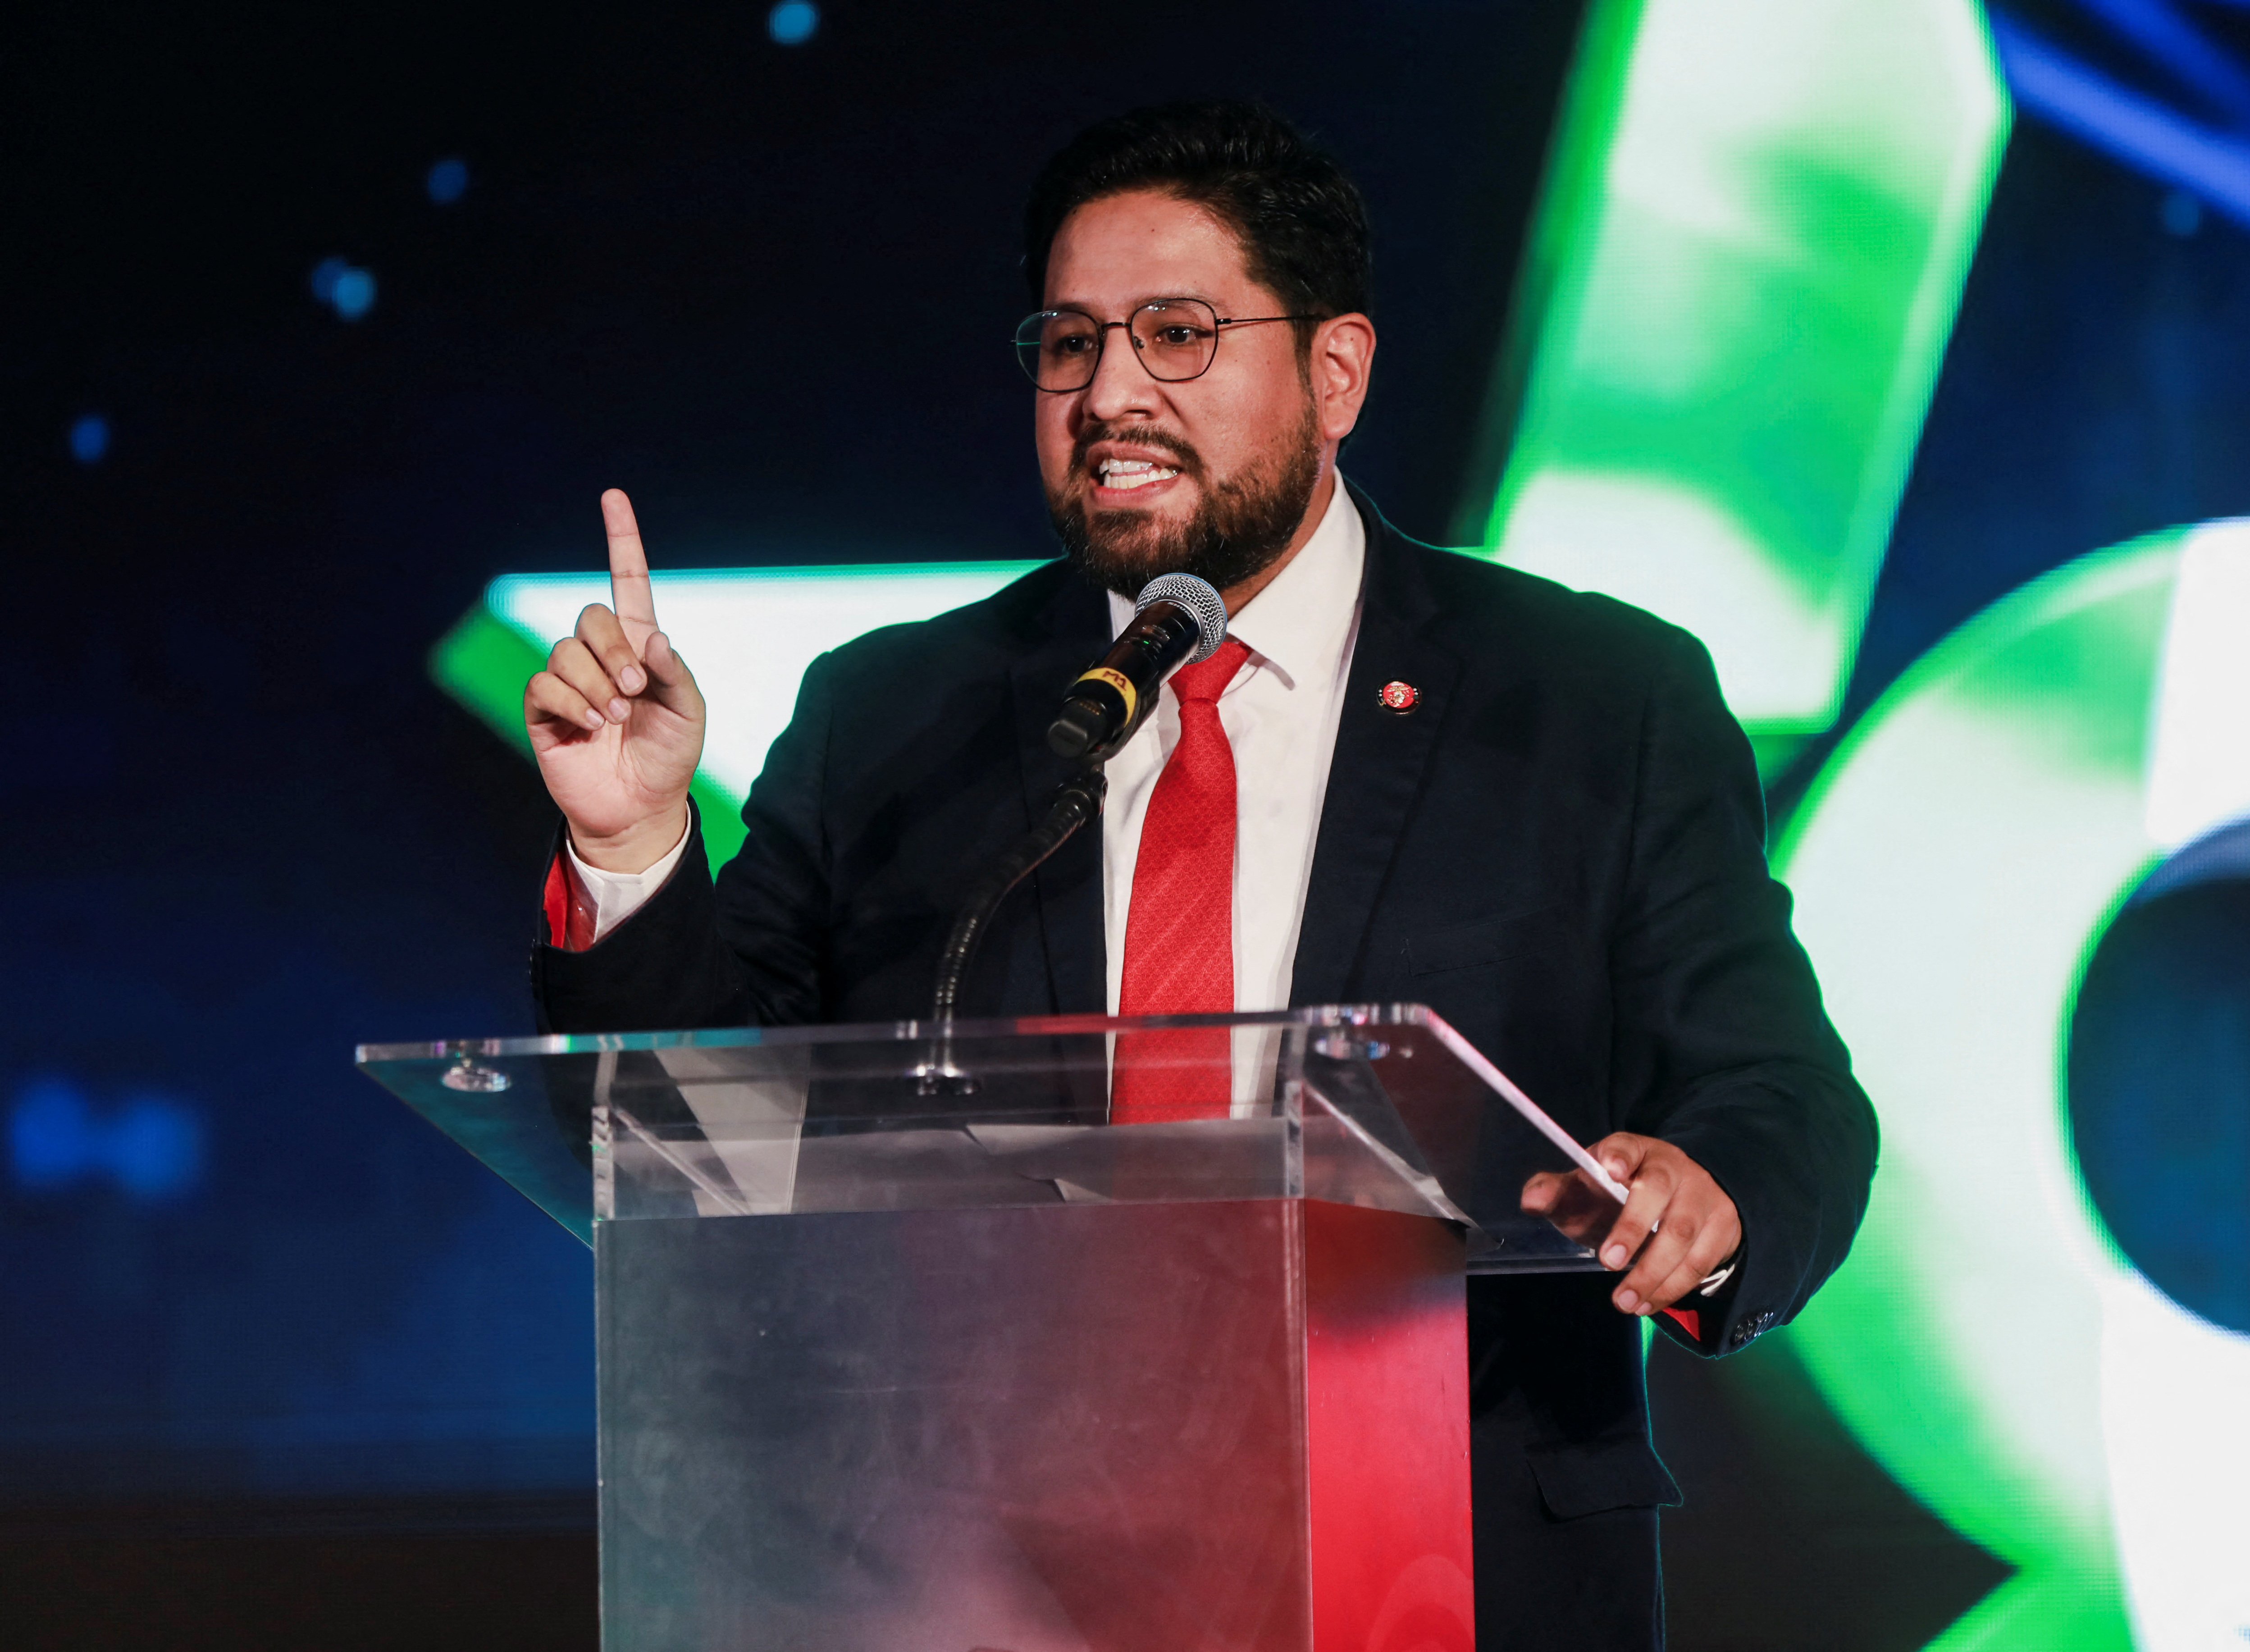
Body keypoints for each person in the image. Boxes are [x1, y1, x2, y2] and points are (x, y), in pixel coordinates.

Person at [521, 99, 1876, 1652]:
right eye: (1068, 344)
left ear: (1336, 372)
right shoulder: (898, 715)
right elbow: (691, 1135)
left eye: (1176, 334)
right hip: (985, 1581)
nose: (1109, 394)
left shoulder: (1589, 700)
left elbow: (1779, 1094)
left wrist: (1713, 1200)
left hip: (1450, 1564)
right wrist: (629, 845)